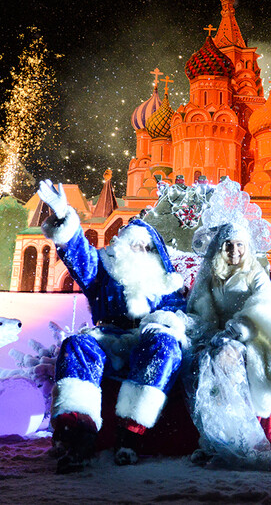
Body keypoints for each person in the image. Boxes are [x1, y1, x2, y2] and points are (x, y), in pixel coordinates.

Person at [38, 180, 186, 473]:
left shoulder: (165, 283)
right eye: (134, 244)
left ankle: (130, 435)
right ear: (121, 245)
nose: (140, 250)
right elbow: (78, 253)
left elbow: (176, 316)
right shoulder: (103, 271)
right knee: (76, 346)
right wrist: (62, 213)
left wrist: (160, 326)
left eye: (146, 247)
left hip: (145, 340)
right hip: (106, 337)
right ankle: (76, 436)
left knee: (166, 345)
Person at [184, 222, 271, 470]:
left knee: (224, 358)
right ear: (220, 248)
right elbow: (200, 309)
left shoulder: (255, 273)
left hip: (252, 337)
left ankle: (241, 440)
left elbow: (266, 305)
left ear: (247, 247)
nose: (234, 250)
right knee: (203, 361)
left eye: (240, 244)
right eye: (229, 245)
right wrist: (210, 333)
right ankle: (215, 439)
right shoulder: (212, 277)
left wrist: (241, 328)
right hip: (218, 336)